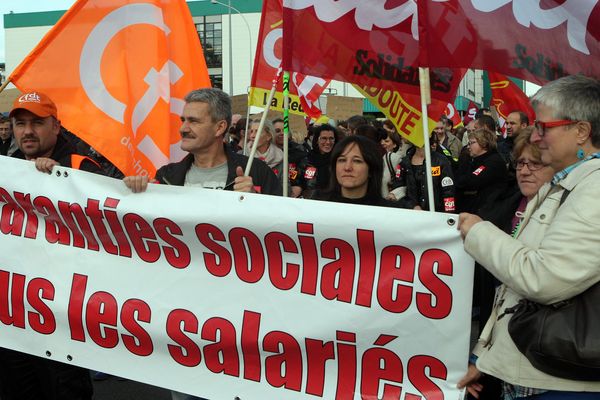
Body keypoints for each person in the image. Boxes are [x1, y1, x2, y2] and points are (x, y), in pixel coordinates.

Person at [458, 74, 600, 399]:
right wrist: (487, 357)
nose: (535, 137)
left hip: (562, 381)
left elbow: (543, 279)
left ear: (581, 131)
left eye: (544, 127)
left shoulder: (594, 189)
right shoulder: (563, 185)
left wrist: (479, 233)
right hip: (535, 371)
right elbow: (514, 293)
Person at [0, 91, 100, 400]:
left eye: (37, 123)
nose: (27, 131)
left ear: (56, 127)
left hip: (62, 314)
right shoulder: (10, 167)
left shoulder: (82, 166)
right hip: (15, 313)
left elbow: (105, 231)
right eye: (20, 123)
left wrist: (59, 181)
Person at [124, 88, 281, 195]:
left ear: (219, 128)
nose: (183, 129)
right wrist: (134, 193)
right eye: (183, 120)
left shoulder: (257, 172)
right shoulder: (166, 176)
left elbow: (281, 227)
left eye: (193, 121)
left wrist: (256, 200)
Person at [313, 135, 402, 208]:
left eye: (357, 161)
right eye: (342, 160)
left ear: (371, 169)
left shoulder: (390, 212)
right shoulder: (316, 204)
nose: (347, 167)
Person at [395, 133, 456, 212]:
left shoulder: (441, 161)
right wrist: (412, 206)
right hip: (412, 215)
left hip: (437, 215)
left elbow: (448, 191)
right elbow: (398, 189)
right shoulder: (404, 163)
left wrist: (448, 214)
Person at [455, 128, 507, 214]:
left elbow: (471, 181)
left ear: (484, 143)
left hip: (488, 211)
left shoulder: (494, 161)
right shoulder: (474, 160)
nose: (468, 146)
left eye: (472, 143)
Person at [272, 118, 309, 197]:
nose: (282, 133)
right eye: (277, 131)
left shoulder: (299, 151)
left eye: (285, 130)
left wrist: (300, 186)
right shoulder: (266, 151)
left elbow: (307, 174)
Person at [304, 124, 339, 197]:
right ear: (317, 140)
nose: (328, 142)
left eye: (331, 138)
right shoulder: (307, 159)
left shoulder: (339, 160)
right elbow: (302, 182)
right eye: (324, 138)